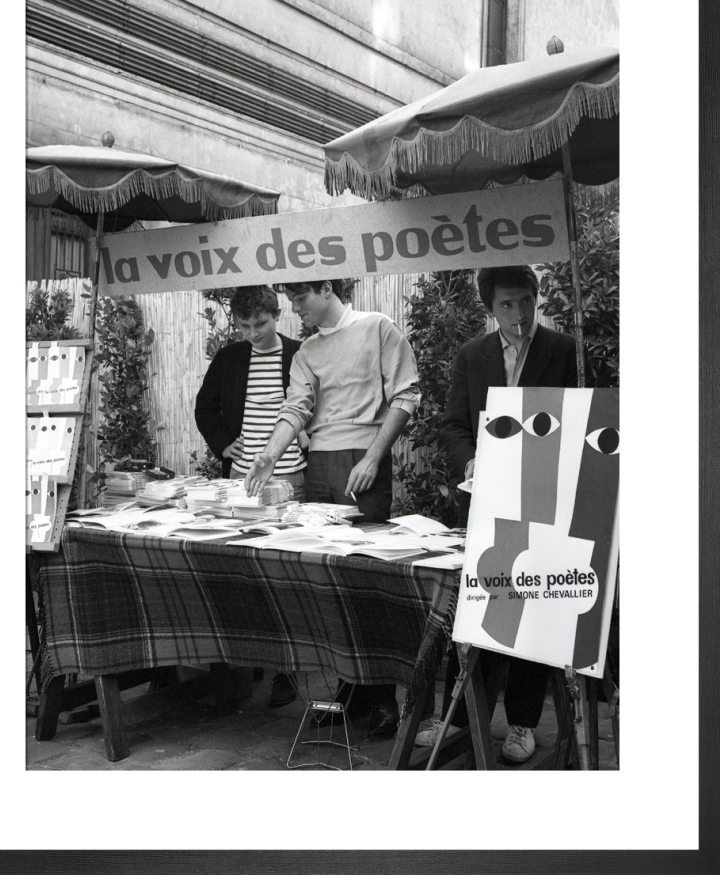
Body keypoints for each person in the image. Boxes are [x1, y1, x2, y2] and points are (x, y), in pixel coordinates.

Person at [243, 278, 421, 737]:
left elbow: (406, 395)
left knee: (365, 579)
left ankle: (382, 697)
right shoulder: (305, 353)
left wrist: (374, 456)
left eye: (300, 299)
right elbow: (296, 409)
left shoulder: (377, 328)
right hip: (321, 465)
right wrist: (269, 454)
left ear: (326, 289)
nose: (295, 309)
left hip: (363, 463)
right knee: (329, 582)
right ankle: (349, 689)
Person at [418, 264, 579, 763]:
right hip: (486, 503)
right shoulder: (472, 355)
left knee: (532, 601)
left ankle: (524, 724)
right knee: (479, 604)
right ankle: (461, 718)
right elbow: (451, 424)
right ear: (491, 309)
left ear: (537, 298)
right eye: (507, 304)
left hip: (544, 500)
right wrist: (470, 460)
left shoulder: (564, 351)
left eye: (527, 300)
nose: (520, 313)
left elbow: (581, 421)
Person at [194, 284, 306, 708]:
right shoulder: (230, 358)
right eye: (244, 326)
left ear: (277, 316)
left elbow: (314, 404)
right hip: (242, 479)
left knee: (287, 572)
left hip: (292, 474)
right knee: (246, 571)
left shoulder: (299, 353)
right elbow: (205, 408)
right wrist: (224, 443)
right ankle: (249, 658)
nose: (253, 333)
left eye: (260, 323)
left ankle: (287, 672)